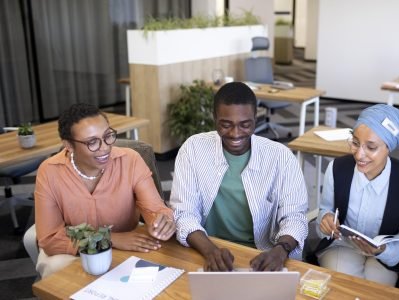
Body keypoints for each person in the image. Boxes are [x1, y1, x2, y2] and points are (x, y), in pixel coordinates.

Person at [170, 81, 308, 271]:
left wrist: (280, 250)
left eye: (245, 125)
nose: (235, 134)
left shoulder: (281, 157)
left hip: (263, 254)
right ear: (214, 119)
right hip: (205, 247)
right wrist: (210, 250)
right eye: (226, 124)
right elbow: (183, 213)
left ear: (255, 119)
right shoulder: (193, 149)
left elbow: (294, 217)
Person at [34, 103, 176, 277]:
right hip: (77, 249)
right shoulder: (49, 171)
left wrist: (161, 222)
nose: (104, 147)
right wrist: (109, 239)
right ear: (69, 145)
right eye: (92, 142)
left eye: (108, 136)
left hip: (128, 240)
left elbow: (155, 209)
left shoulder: (130, 160)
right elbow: (49, 239)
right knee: (61, 274)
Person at [315, 104, 399, 286]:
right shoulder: (336, 169)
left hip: (385, 255)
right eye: (355, 143)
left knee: (374, 291)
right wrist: (325, 219)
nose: (359, 154)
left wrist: (384, 250)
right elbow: (325, 209)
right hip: (343, 246)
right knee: (344, 288)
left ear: (389, 148)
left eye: (371, 147)